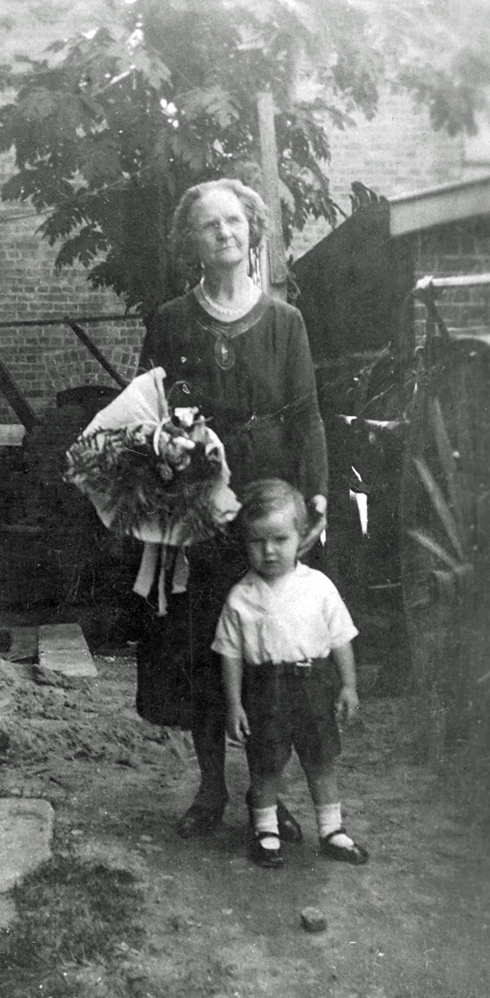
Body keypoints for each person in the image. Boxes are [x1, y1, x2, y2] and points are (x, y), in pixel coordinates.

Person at [135, 177, 328, 838]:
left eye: (235, 222)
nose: (224, 233)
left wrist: (317, 494)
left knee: (274, 649)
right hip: (198, 502)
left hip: (269, 496)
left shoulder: (284, 321)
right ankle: (212, 791)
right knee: (206, 644)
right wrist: (179, 468)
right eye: (210, 225)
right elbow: (149, 417)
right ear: (191, 241)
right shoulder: (169, 322)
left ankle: (268, 798)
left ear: (252, 230)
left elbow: (307, 416)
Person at [214, 478, 369, 867]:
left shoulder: (318, 586)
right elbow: (230, 654)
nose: (269, 551)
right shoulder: (241, 597)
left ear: (301, 536)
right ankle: (266, 832)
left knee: (320, 761)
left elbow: (340, 640)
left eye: (280, 539)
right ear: (245, 542)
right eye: (257, 542)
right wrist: (234, 704)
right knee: (265, 765)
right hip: (266, 690)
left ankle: (331, 830)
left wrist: (348, 685)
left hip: (314, 685)